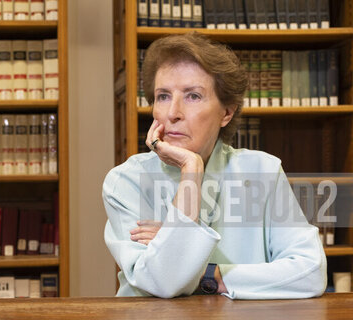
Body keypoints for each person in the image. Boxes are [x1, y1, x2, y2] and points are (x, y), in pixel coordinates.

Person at [102, 32, 327, 299]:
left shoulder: (263, 170)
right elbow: (165, 282)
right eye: (163, 96)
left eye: (193, 96)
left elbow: (310, 273)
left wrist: (207, 272)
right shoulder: (125, 181)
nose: (173, 112)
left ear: (226, 113)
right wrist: (191, 170)